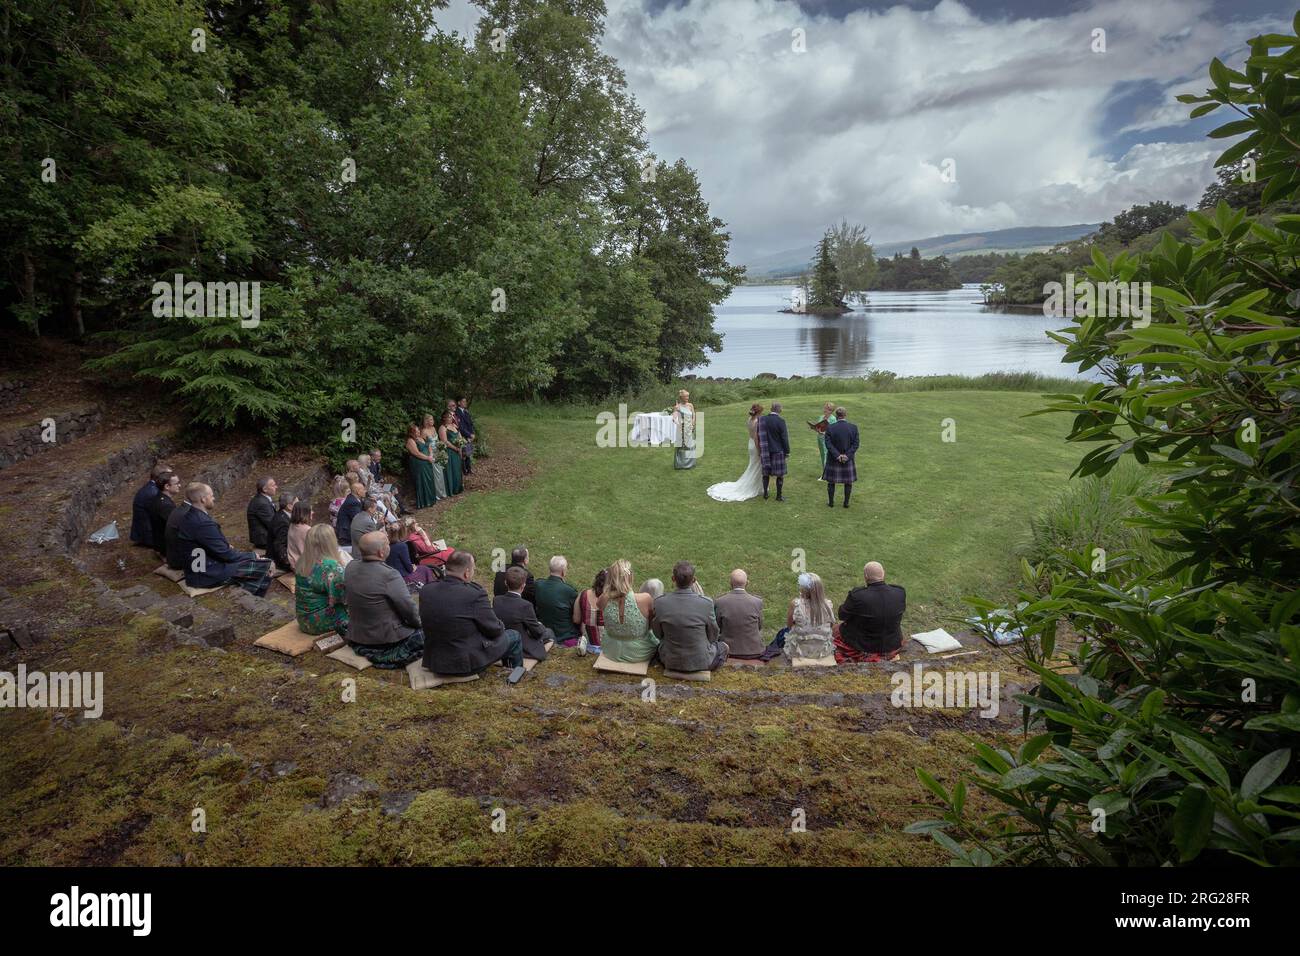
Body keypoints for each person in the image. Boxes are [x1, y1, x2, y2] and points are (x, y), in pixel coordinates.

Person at [420, 550, 524, 675]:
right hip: (463, 664)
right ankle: (516, 675)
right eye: (473, 569)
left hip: (434, 661)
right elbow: (494, 629)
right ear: (467, 573)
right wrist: (500, 624)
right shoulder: (474, 594)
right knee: (514, 636)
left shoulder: (426, 590)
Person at [340, 531, 425, 667]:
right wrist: (421, 624)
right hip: (385, 638)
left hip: (358, 634)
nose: (389, 546)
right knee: (430, 629)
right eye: (387, 544)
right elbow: (409, 610)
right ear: (381, 552)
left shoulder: (350, 567)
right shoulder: (389, 575)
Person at [176, 483, 275, 595]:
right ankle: (253, 598)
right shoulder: (202, 523)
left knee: (255, 563)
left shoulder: (191, 516)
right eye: (211, 495)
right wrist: (252, 555)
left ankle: (249, 593)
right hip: (206, 574)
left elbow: (214, 546)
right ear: (203, 499)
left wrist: (224, 546)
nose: (213, 498)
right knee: (267, 565)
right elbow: (226, 554)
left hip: (201, 568)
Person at [652, 561, 727, 671]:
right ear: (694, 580)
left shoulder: (660, 603)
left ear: (673, 579)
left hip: (670, 661)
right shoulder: (706, 603)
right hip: (701, 662)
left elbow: (658, 633)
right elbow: (713, 635)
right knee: (724, 647)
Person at [835, 561, 906, 662]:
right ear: (883, 573)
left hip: (863, 645)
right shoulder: (899, 592)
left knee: (835, 630)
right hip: (892, 643)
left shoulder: (858, 595)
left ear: (865, 576)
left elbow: (842, 615)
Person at [597, 559, 659, 663]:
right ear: (630, 577)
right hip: (640, 652)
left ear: (611, 577)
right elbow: (653, 624)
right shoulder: (644, 598)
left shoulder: (603, 598)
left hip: (611, 651)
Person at [765, 573, 835, 662]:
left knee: (782, 633)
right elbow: (831, 626)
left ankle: (772, 652)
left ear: (803, 589)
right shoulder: (828, 605)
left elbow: (790, 626)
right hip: (822, 652)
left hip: (800, 652)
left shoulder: (796, 604)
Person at [294, 523, 349, 635]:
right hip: (321, 621)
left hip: (303, 619)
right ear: (331, 542)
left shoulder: (303, 560)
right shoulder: (331, 566)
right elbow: (342, 598)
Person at [493, 566, 552, 661]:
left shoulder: (496, 600)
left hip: (503, 640)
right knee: (549, 632)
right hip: (521, 646)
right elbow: (537, 632)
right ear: (523, 586)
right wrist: (540, 625)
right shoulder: (525, 605)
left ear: (505, 583)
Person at [707, 403, 764, 502]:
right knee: (756, 466)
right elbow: (756, 438)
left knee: (754, 465)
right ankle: (754, 487)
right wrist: (759, 450)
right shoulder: (757, 422)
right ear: (758, 412)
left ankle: (758, 486)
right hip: (755, 445)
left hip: (750, 443)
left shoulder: (749, 420)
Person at [714, 569, 765, 659]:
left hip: (727, 651)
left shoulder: (720, 602)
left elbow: (718, 626)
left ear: (730, 583)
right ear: (747, 583)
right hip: (754, 651)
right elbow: (759, 626)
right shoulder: (757, 602)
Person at [534, 555, 579, 645]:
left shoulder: (538, 584)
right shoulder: (569, 591)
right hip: (564, 635)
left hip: (543, 629)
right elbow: (576, 617)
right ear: (563, 571)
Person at [823, 405, 860, 508]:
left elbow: (828, 444)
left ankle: (831, 503)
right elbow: (856, 444)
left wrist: (837, 455)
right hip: (847, 460)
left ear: (836, 415)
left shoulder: (830, 427)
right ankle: (846, 503)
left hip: (833, 459)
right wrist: (847, 456)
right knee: (848, 483)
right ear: (845, 415)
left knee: (831, 482)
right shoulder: (853, 427)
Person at [130, 464, 172, 547]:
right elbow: (164, 516)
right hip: (149, 536)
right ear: (159, 477)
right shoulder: (153, 493)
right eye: (169, 476)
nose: (172, 478)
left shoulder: (151, 488)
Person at [385, 523, 435, 587]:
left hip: (393, 575)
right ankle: (431, 587)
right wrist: (412, 568)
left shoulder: (387, 545)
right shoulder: (402, 546)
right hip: (404, 576)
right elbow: (407, 564)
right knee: (425, 569)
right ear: (402, 533)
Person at [759, 402, 790, 501]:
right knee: (780, 475)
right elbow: (784, 438)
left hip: (766, 451)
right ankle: (779, 496)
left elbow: (759, 435)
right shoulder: (781, 421)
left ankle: (765, 494)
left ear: (771, 409)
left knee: (765, 474)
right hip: (778, 451)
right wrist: (787, 451)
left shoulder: (762, 419)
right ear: (779, 410)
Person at [147, 470, 180, 555]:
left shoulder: (159, 498)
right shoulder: (165, 505)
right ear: (167, 486)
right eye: (176, 484)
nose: (179, 485)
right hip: (167, 547)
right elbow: (176, 527)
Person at [573, 568, 606, 656]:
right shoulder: (614, 600)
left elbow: (576, 619)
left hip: (587, 645)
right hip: (607, 648)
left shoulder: (583, 594)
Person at [165, 483, 197, 571]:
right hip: (182, 562)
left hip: (173, 557)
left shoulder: (179, 510)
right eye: (209, 496)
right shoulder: (189, 515)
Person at [404, 424, 437, 509]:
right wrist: (427, 458)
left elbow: (428, 446)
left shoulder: (421, 438)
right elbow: (416, 453)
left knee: (429, 479)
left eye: (418, 430)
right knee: (423, 481)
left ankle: (431, 499)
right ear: (411, 432)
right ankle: (424, 502)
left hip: (427, 461)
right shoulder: (410, 441)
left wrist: (431, 455)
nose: (418, 432)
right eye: (416, 431)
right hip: (419, 463)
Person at [422, 414, 449, 501]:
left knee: (440, 473)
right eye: (431, 420)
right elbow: (424, 445)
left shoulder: (433, 428)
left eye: (433, 419)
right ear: (426, 421)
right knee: (436, 474)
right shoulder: (423, 431)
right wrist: (429, 454)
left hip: (438, 452)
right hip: (431, 454)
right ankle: (437, 494)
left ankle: (442, 492)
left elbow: (437, 440)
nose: (433, 421)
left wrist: (441, 447)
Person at [246, 477, 278, 550]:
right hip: (264, 541)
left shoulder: (262, 499)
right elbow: (273, 524)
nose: (276, 487)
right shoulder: (261, 503)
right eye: (273, 485)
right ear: (264, 489)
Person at [268, 492, 296, 572]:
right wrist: (289, 564)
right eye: (297, 503)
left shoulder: (283, 515)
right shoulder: (282, 521)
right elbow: (280, 545)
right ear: (289, 506)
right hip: (279, 562)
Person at [808, 402, 838, 478]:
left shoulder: (833, 419)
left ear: (831, 410)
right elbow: (819, 427)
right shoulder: (821, 417)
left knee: (826, 456)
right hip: (820, 439)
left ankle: (825, 475)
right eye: (824, 408)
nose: (824, 410)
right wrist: (814, 428)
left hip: (827, 440)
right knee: (822, 455)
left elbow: (834, 431)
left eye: (826, 409)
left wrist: (824, 433)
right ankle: (826, 472)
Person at [439, 411, 465, 495]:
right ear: (444, 418)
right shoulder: (443, 428)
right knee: (452, 469)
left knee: (457, 468)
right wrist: (455, 448)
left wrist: (460, 447)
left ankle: (459, 487)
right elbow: (445, 441)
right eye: (449, 417)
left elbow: (459, 436)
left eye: (451, 417)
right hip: (450, 451)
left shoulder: (454, 426)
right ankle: (452, 489)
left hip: (457, 450)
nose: (451, 418)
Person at [671, 389, 698, 470]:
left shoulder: (690, 405)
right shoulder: (677, 406)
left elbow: (693, 415)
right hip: (682, 429)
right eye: (686, 396)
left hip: (690, 428)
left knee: (690, 446)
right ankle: (680, 464)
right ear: (681, 397)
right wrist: (677, 421)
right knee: (681, 447)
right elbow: (674, 418)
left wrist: (693, 424)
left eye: (688, 396)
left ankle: (690, 464)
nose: (687, 397)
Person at [334, 481, 365, 546]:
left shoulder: (353, 498)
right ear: (358, 492)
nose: (365, 491)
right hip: (346, 536)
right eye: (363, 489)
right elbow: (359, 520)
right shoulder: (353, 503)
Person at [286, 500, 313, 571]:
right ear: (305, 513)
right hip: (303, 566)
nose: (313, 512)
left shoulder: (292, 525)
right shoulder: (308, 530)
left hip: (293, 563)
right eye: (311, 511)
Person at [455, 396, 476, 475]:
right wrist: (469, 435)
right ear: (459, 402)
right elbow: (460, 427)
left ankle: (469, 469)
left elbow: (470, 424)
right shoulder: (457, 413)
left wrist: (472, 434)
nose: (465, 403)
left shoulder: (466, 412)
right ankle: (464, 470)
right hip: (462, 435)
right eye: (463, 401)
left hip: (469, 435)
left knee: (468, 452)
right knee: (463, 453)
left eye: (465, 401)